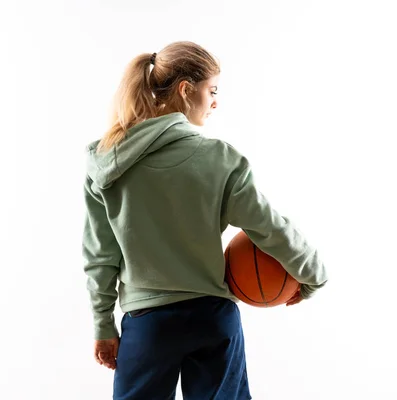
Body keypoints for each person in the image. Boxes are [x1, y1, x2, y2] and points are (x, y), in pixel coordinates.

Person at [82, 41, 328, 400]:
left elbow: (100, 255)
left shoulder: (107, 162)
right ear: (185, 89)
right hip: (211, 319)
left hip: (147, 325)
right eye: (212, 91)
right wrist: (313, 276)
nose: (215, 102)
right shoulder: (220, 159)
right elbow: (270, 229)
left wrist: (103, 323)